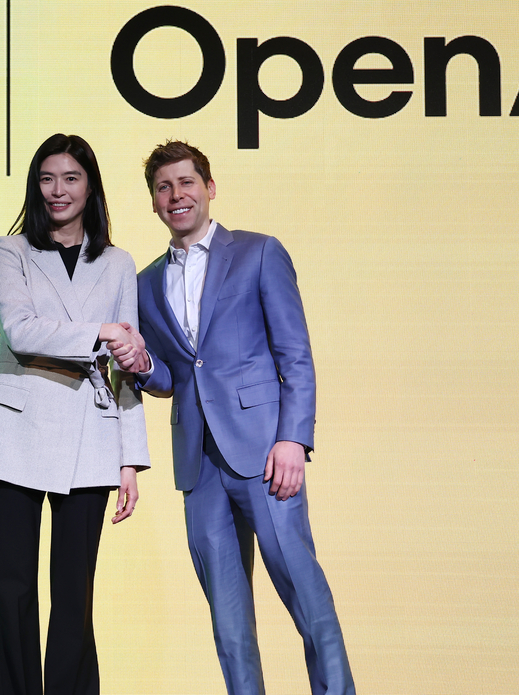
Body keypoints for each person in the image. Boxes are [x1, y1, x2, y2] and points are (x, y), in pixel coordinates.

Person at [108, 140, 354, 695]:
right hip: (199, 467)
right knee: (227, 621)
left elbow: (295, 355)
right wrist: (144, 366)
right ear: (153, 202)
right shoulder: (145, 283)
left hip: (266, 455)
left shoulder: (259, 252)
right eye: (164, 188)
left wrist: (294, 439)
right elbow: (175, 376)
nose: (177, 195)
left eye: (187, 183)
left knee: (305, 597)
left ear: (209, 188)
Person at [0, 133, 150, 695]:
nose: (58, 190)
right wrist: (99, 331)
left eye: (71, 178)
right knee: (13, 588)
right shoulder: (10, 249)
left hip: (91, 434)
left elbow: (127, 363)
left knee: (75, 592)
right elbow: (19, 332)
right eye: (47, 178)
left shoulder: (117, 263)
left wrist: (130, 459)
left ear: (90, 186)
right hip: (14, 432)